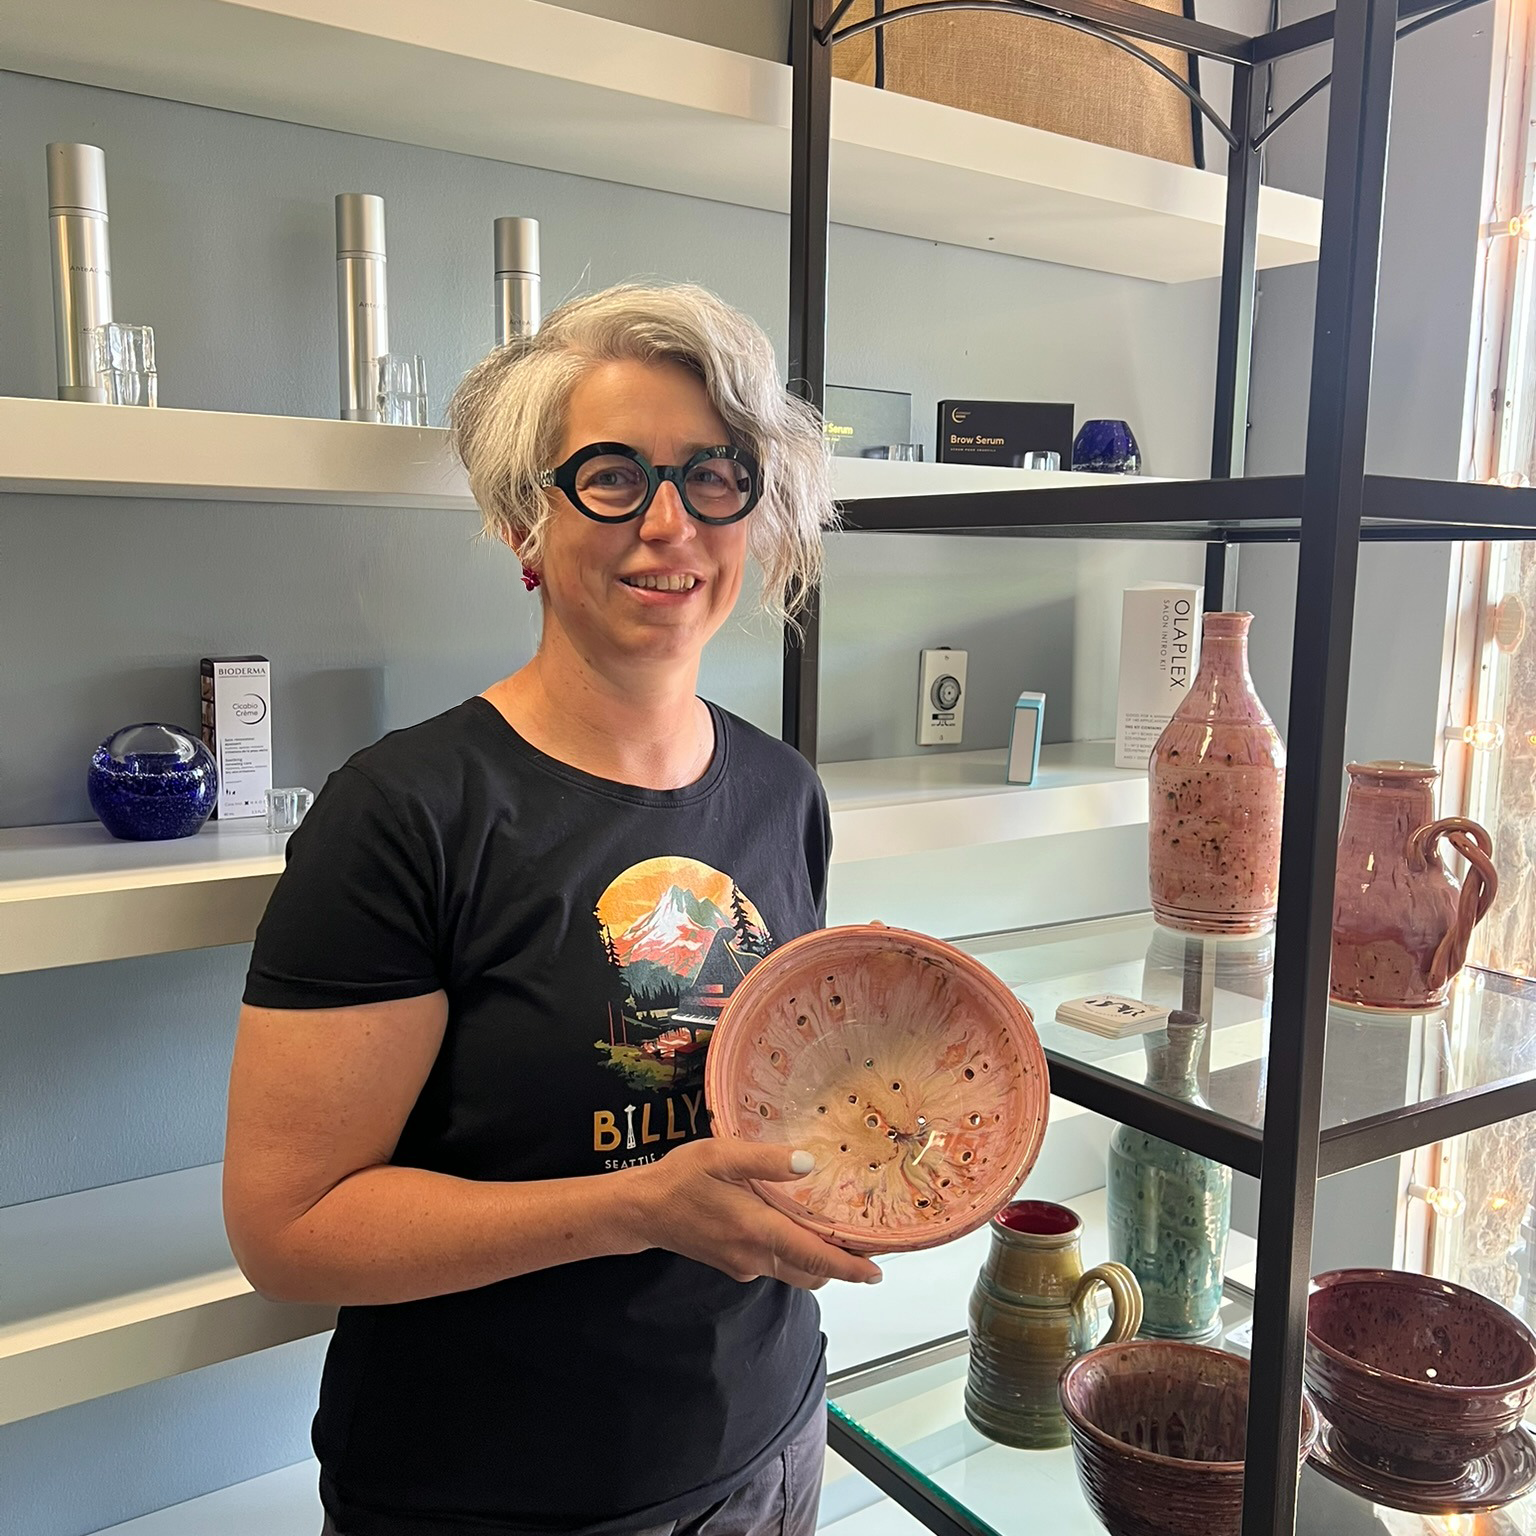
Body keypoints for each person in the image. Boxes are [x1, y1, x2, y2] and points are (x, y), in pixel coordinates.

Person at [222, 282, 883, 1536]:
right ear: (527, 518)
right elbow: (291, 1230)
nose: (669, 522)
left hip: (774, 1437)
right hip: (501, 1493)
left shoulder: (782, 790)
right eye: (613, 476)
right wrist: (636, 1206)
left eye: (712, 474)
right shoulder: (406, 813)